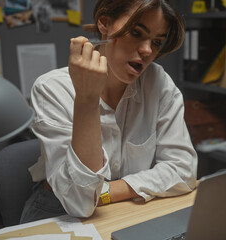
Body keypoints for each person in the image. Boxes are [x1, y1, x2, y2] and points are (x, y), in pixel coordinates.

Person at [20, 0, 197, 223]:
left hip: (125, 204)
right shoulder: (52, 88)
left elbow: (184, 170)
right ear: (104, 23)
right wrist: (87, 98)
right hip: (58, 210)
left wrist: (108, 192)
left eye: (157, 42)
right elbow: (80, 202)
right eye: (136, 32)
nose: (146, 50)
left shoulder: (157, 82)